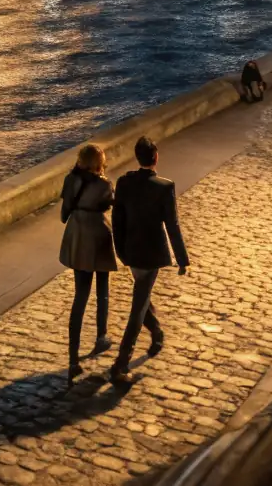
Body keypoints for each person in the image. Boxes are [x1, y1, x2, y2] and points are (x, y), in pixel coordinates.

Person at [109, 136, 189, 387]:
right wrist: (182, 258)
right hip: (152, 253)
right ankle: (121, 362)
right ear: (155, 157)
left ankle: (156, 332)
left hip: (131, 251)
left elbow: (117, 220)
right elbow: (172, 225)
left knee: (142, 296)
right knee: (138, 305)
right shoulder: (165, 186)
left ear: (137, 157)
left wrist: (120, 251)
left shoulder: (123, 182)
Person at [59, 143, 117, 384]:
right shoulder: (104, 185)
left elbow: (64, 215)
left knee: (79, 296)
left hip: (77, 236)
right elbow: (111, 203)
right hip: (98, 235)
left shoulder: (70, 180)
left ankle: (73, 359)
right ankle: (101, 335)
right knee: (102, 287)